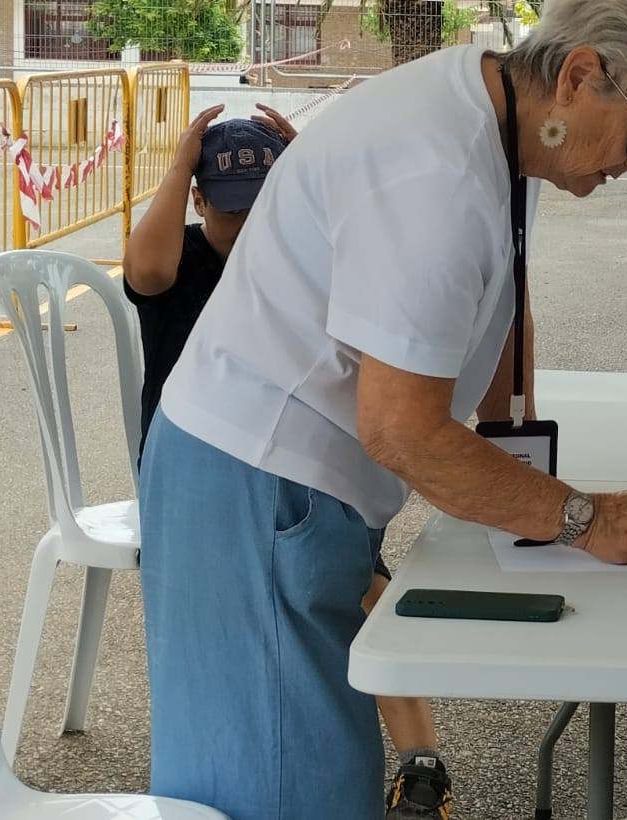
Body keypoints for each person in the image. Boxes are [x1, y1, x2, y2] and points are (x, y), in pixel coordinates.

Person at [138, 0, 627, 820]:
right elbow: (401, 429)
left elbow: (493, 303)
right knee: (274, 793)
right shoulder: (439, 168)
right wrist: (582, 517)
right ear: (577, 76)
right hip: (254, 483)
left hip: (266, 480)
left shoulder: (494, 108)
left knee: (302, 771)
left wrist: (511, 441)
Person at [122, 106, 454, 818]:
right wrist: (180, 164)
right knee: (342, 588)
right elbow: (143, 268)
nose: (246, 227)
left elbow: (372, 267)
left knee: (362, 591)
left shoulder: (300, 266)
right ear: (200, 199)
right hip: (202, 477)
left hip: (296, 472)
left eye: (266, 205)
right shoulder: (180, 261)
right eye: (229, 209)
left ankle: (420, 758)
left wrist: (310, 170)